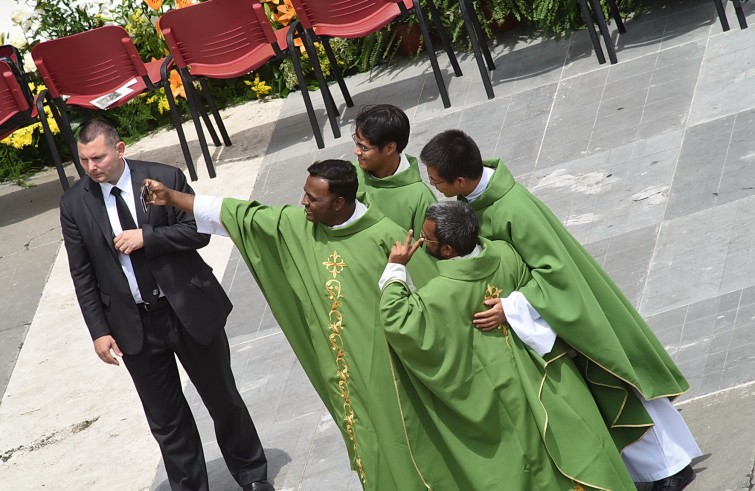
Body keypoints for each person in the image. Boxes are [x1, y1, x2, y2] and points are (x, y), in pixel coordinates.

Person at [419, 129, 700, 491]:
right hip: (548, 317)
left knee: (613, 384)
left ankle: (669, 467)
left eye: (437, 181)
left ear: (460, 179)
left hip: (569, 313)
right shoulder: (479, 201)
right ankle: (653, 470)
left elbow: (555, 272)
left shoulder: (511, 208)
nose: (433, 186)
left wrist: (512, 306)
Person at [144, 160, 446, 490]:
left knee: (401, 435)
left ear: (340, 203)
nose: (303, 202)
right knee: (365, 438)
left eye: (313, 198)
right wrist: (173, 197)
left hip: (387, 368)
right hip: (341, 372)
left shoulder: (386, 236)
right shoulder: (298, 226)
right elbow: (240, 214)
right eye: (305, 194)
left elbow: (432, 303)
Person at [59, 119, 273, 491]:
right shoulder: (75, 204)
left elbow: (198, 232)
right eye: (84, 160)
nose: (91, 168)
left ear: (120, 148)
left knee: (223, 400)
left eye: (98, 157)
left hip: (187, 310)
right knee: (167, 421)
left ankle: (253, 476)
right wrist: (99, 331)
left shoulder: (163, 177)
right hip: (133, 325)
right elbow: (82, 274)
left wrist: (148, 237)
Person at [379, 200, 636, 490]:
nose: (423, 243)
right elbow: (542, 287)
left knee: (524, 458)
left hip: (494, 393)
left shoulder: (439, 294)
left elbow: (397, 321)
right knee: (575, 444)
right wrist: (514, 306)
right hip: (545, 375)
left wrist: (395, 269)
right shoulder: (506, 254)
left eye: (427, 239)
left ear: (448, 250)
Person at [352, 104, 437, 238]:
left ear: (390, 148)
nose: (356, 151)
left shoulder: (420, 198)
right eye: (357, 143)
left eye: (364, 148)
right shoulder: (351, 174)